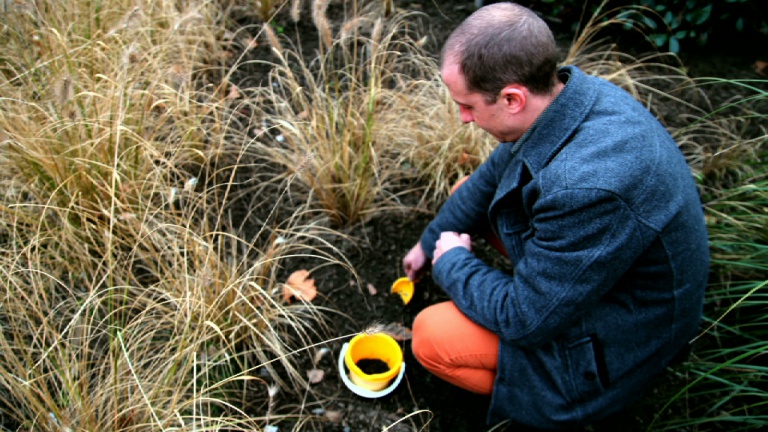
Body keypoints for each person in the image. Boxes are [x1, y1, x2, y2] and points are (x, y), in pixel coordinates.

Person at [402, 2, 710, 430]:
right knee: (468, 198)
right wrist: (430, 241)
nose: (463, 118)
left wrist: (451, 262)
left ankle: (554, 406)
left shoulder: (586, 189)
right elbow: (490, 178)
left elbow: (525, 318)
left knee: (432, 336)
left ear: (512, 99)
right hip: (604, 270)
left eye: (467, 105)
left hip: (627, 334)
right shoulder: (568, 98)